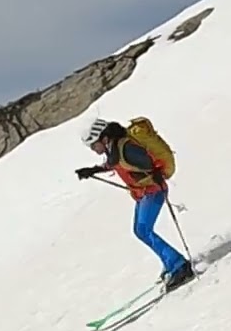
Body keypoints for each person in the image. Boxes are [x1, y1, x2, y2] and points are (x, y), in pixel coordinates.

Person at [75, 117, 195, 290]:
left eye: (94, 145)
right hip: (144, 193)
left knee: (143, 230)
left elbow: (146, 162)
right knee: (140, 230)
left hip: (153, 191)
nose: (94, 150)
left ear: (103, 138)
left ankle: (179, 265)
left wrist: (155, 174)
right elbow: (115, 163)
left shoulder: (125, 146)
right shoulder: (114, 147)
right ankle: (171, 262)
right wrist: (93, 170)